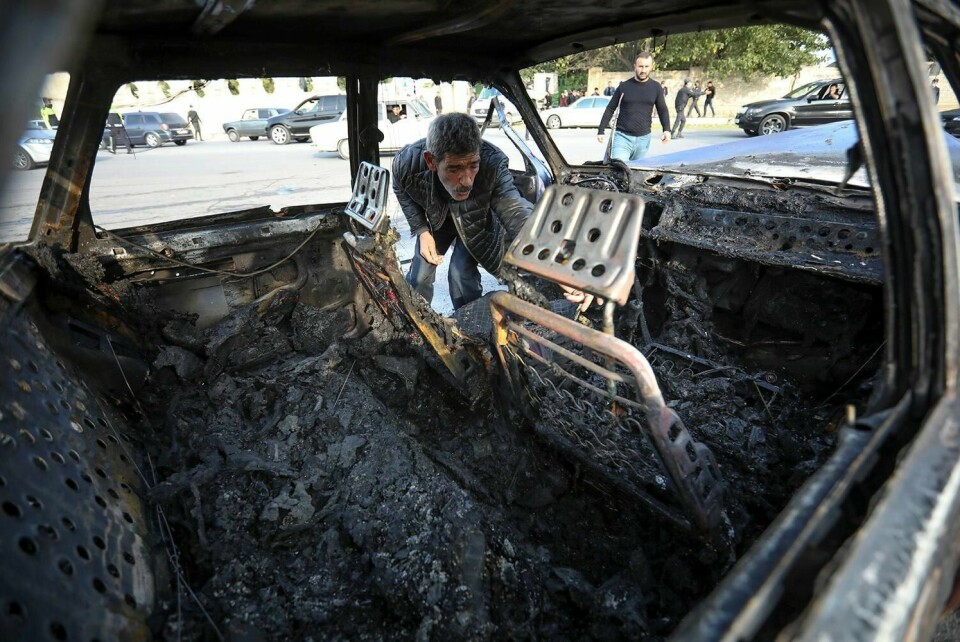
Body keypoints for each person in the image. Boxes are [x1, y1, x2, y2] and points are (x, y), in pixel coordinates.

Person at [392, 113, 532, 311]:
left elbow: (515, 207)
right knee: (418, 277)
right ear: (431, 161)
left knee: (461, 273)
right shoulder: (407, 163)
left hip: (476, 223)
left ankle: (470, 326)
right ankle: (417, 326)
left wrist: (553, 258)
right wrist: (421, 230)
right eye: (454, 168)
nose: (466, 180)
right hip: (436, 222)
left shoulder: (493, 163)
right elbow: (400, 187)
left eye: (473, 165)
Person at [596, 51, 671, 162]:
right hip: (622, 137)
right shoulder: (624, 87)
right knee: (619, 170)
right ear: (635, 66)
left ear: (651, 67)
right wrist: (601, 130)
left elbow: (662, 110)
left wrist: (667, 130)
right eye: (640, 66)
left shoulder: (656, 88)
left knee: (636, 172)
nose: (643, 70)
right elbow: (610, 108)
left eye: (646, 66)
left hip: (644, 139)